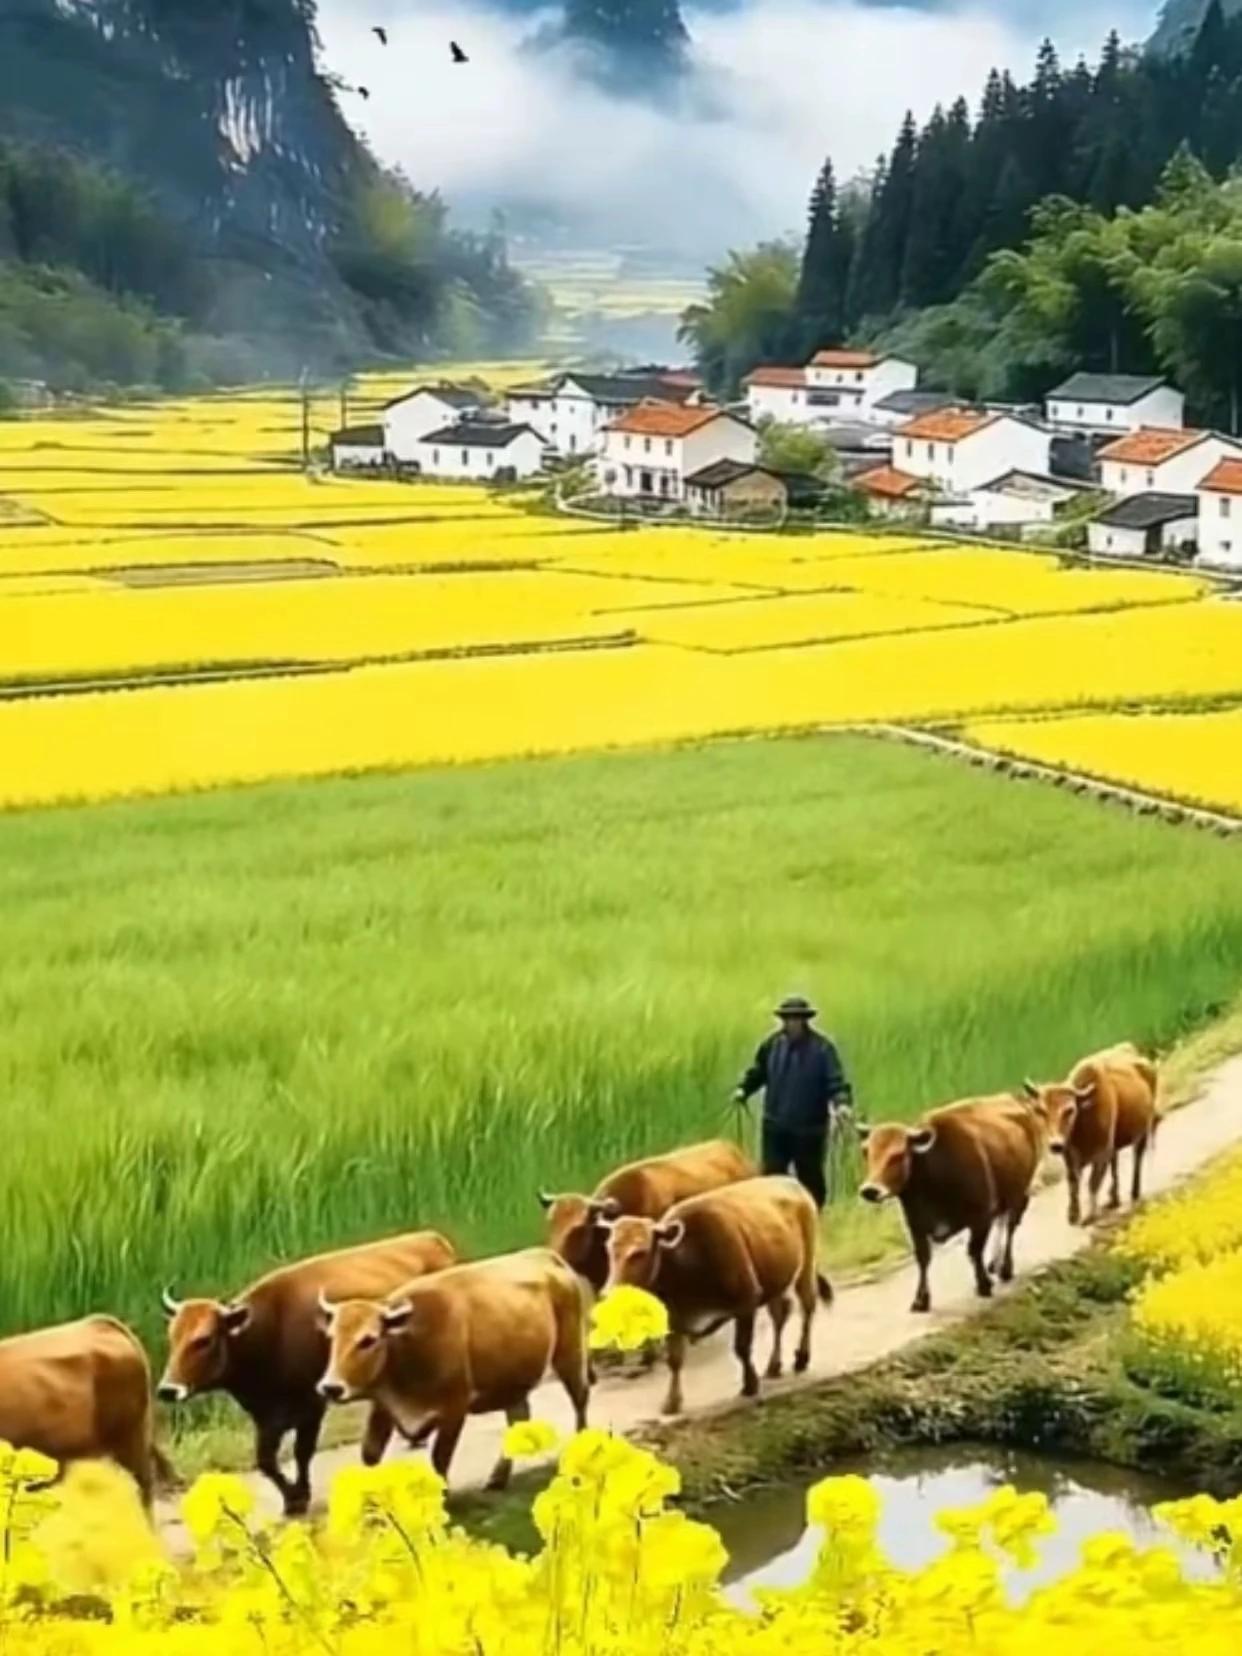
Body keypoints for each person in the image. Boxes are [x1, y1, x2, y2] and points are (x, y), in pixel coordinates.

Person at [732, 995, 852, 1210]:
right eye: (788, 1019)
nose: (792, 1023)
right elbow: (758, 1073)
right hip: (775, 1125)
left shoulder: (823, 1049)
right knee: (772, 1175)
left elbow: (836, 1081)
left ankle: (814, 1215)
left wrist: (842, 1103)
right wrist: (744, 1089)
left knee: (810, 1176)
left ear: (805, 1021)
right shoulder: (771, 1045)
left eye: (797, 1019)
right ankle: (773, 1216)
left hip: (809, 1129)